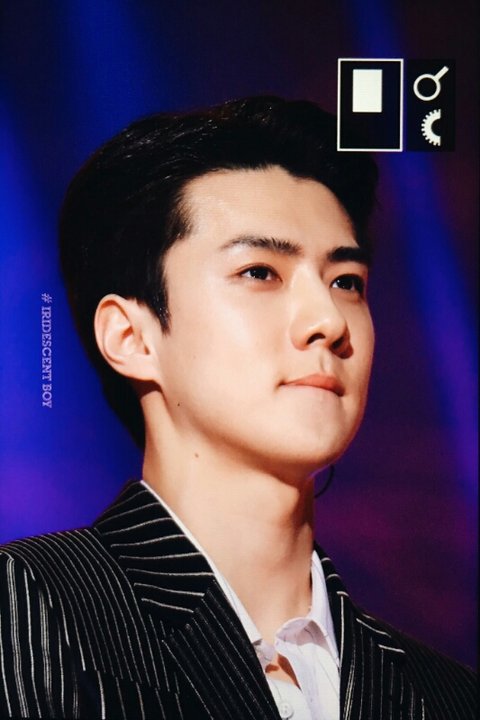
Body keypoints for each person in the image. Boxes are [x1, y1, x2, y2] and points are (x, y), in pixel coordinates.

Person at [0, 96, 475, 720]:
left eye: (346, 282)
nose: (328, 321)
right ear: (131, 337)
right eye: (259, 272)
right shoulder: (32, 605)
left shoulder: (448, 695)